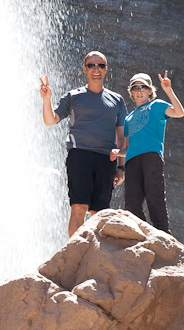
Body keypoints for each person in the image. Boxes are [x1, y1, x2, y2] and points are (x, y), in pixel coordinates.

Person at [40, 51, 128, 237]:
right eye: (91, 65)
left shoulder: (117, 100)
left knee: (99, 212)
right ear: (85, 69)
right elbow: (50, 120)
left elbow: (121, 137)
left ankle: (95, 254)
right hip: (80, 155)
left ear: (106, 70)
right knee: (79, 207)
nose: (96, 69)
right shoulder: (74, 96)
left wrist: (121, 168)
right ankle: (75, 251)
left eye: (100, 66)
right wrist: (46, 100)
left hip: (106, 158)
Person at [112, 71, 184, 232]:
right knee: (131, 202)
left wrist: (168, 90)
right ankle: (142, 234)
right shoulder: (128, 118)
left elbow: (179, 113)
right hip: (132, 161)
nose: (139, 91)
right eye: (135, 88)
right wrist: (118, 153)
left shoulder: (157, 105)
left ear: (150, 90)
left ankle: (163, 234)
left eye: (143, 87)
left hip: (151, 156)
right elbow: (130, 147)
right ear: (130, 91)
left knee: (154, 195)